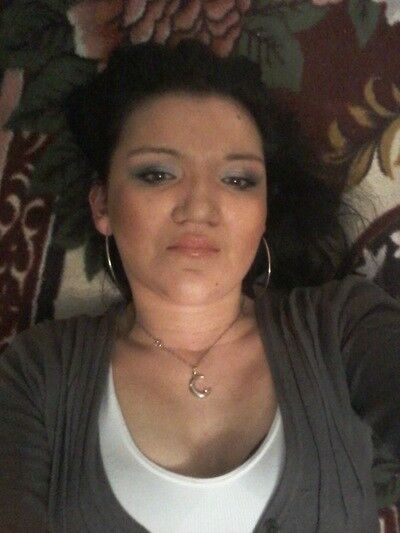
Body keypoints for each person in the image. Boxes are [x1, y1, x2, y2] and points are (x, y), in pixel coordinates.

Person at [0, 39, 399, 533]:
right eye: (157, 174)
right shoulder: (37, 373)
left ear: (264, 210)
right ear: (102, 205)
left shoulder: (342, 326)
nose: (199, 207)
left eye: (237, 180)